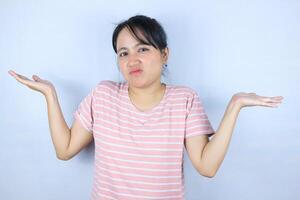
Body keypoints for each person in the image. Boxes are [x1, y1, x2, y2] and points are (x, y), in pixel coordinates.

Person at [8, 15, 283, 200]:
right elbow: (65, 149)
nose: (132, 60)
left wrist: (235, 105)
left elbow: (207, 167)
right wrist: (50, 95)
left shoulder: (184, 100)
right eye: (123, 53)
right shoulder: (102, 95)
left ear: (164, 54)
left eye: (143, 49)